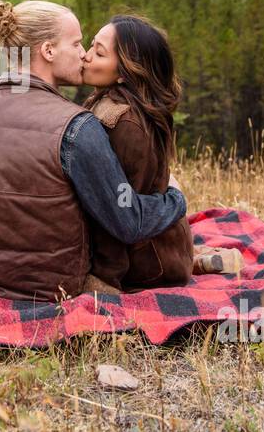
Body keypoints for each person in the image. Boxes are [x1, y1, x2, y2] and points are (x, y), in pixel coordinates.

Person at [0, 0, 188, 302]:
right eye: (76, 44)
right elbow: (127, 223)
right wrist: (176, 198)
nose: (83, 54)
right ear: (48, 51)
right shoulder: (77, 127)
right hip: (52, 287)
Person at [80, 15, 197, 292]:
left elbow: (122, 213)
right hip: (147, 251)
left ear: (125, 73)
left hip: (149, 265)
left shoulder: (126, 124)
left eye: (98, 53)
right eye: (90, 46)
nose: (85, 56)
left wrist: (104, 280)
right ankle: (198, 258)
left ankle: (189, 260)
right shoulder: (105, 102)